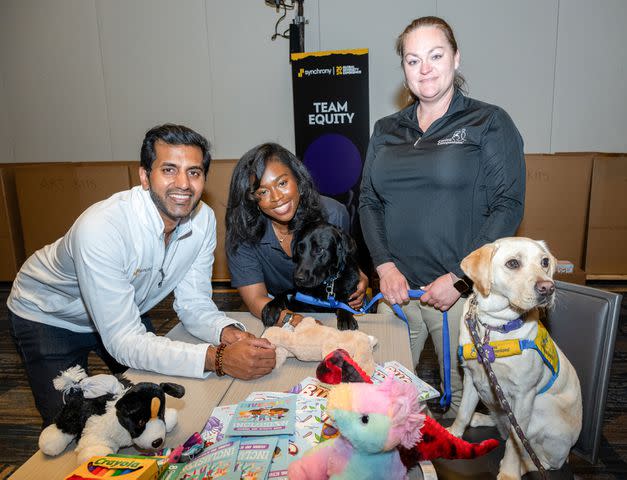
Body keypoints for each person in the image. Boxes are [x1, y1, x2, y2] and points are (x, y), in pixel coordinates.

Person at [7, 124, 276, 426]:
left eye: (194, 172)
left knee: (150, 409)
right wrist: (218, 358)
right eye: (169, 170)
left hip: (125, 310)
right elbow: (124, 340)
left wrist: (226, 332)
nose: (183, 184)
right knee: (69, 427)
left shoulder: (203, 220)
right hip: (49, 315)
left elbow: (194, 304)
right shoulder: (102, 228)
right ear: (145, 177)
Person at [359, 16, 525, 417]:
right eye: (413, 60)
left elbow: (508, 205)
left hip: (458, 296)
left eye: (436, 55)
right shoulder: (386, 129)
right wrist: (384, 267)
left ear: (456, 58)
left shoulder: (488, 122)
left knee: (469, 409)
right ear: (404, 69)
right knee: (381, 406)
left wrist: (459, 276)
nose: (425, 69)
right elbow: (368, 201)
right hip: (397, 292)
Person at [226, 143, 368, 328]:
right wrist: (295, 321)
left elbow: (341, 257)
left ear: (299, 181)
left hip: (327, 302)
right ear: (252, 198)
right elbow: (256, 299)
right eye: (263, 191)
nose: (277, 197)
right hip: (278, 305)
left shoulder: (333, 214)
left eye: (282, 183)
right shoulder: (243, 235)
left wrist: (359, 277)